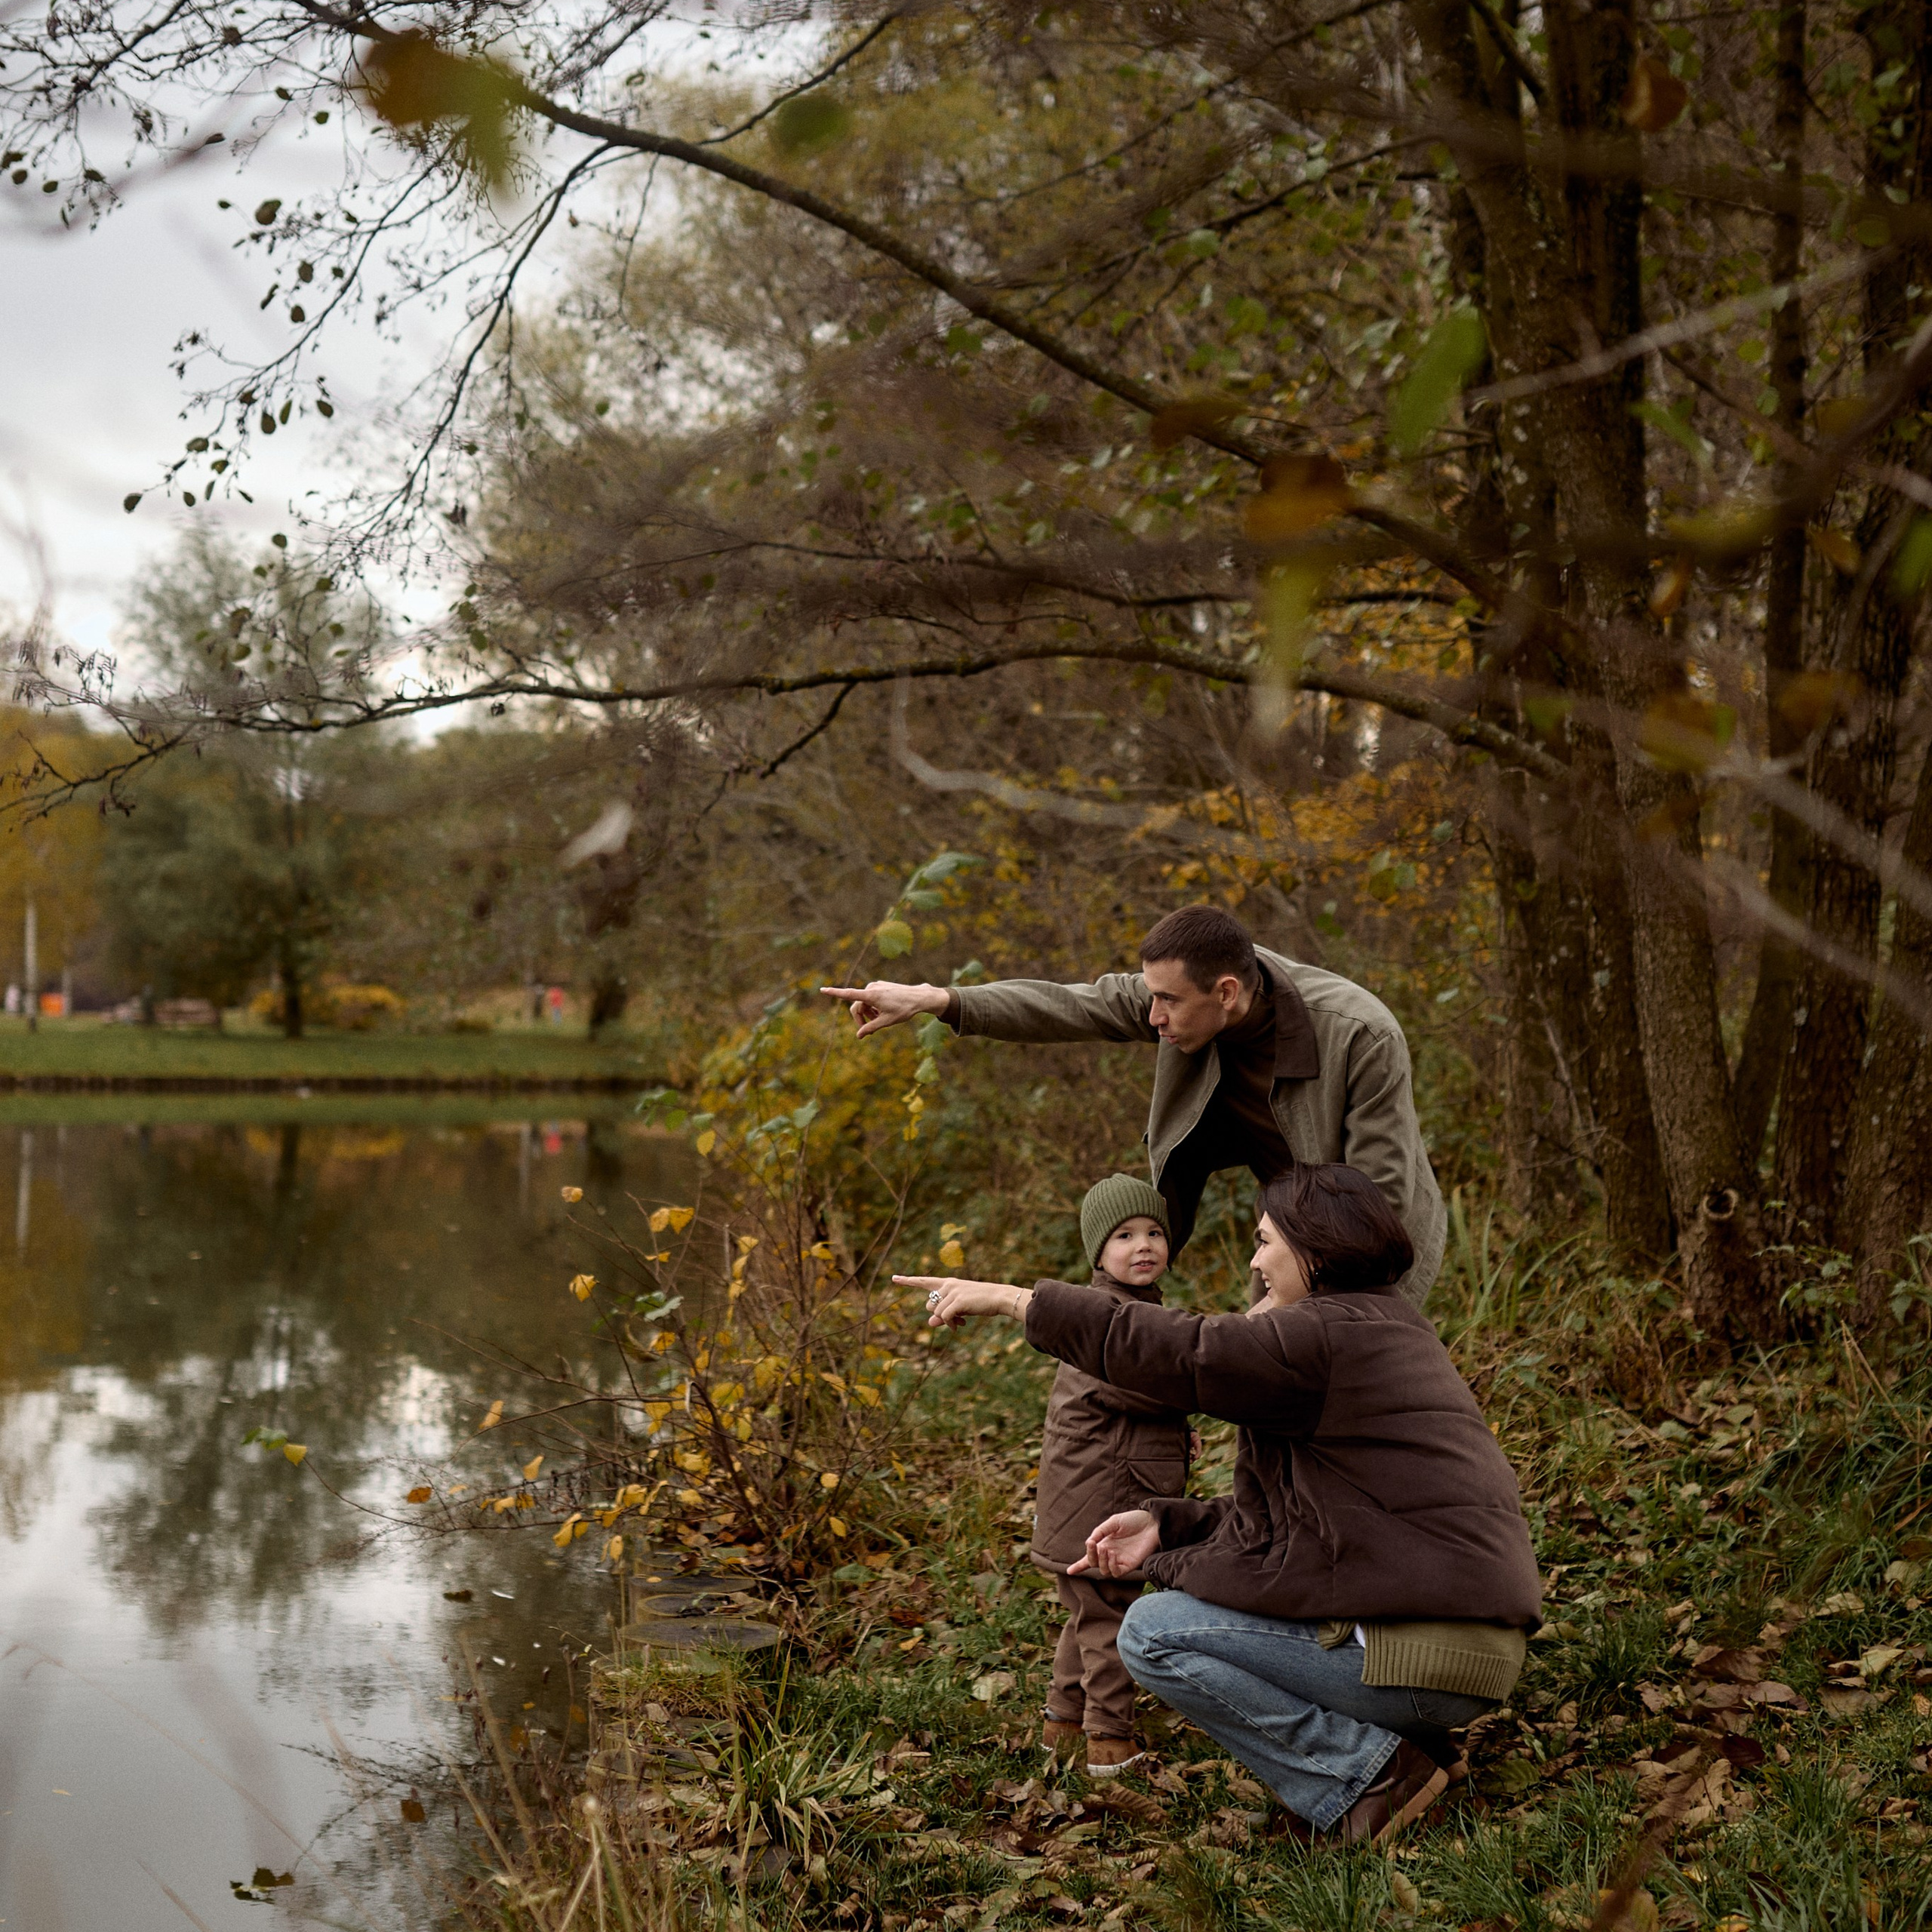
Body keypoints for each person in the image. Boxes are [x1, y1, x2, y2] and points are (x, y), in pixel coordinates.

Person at [897, 1163, 1540, 1846]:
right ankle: (1415, 1750)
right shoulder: (1386, 1325)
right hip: (1463, 1650)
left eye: (1265, 1244)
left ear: (1314, 1250)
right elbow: (1309, 1521)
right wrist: (1170, 1524)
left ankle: (1366, 1777)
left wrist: (1011, 1299)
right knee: (1188, 1614)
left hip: (1424, 1655)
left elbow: (1181, 1352)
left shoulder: (1320, 1336)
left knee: (1150, 1631)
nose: (1256, 1264)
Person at [826, 903, 1444, 1304]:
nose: (1153, 1018)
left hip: (1376, 1244)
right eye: (1150, 996)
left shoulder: (1362, 1035)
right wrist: (938, 1000)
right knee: (1269, 1395)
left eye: (1167, 1002)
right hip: (1284, 1226)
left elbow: (1377, 1194)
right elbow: (1070, 1006)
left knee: (1354, 1395)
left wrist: (1293, 1306)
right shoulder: (1184, 998)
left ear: (1227, 993)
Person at [1028, 1174, 1194, 1776]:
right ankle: (1109, 1739)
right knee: (1109, 1619)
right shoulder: (1103, 1316)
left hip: (1092, 1491)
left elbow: (1138, 1406)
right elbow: (1146, 1385)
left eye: (1154, 1232)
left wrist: (1177, 1431)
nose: (1143, 1245)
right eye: (1124, 1235)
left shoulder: (1133, 1309)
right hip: (1103, 1497)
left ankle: (1062, 1724)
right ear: (1098, 1252)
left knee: (1088, 1613)